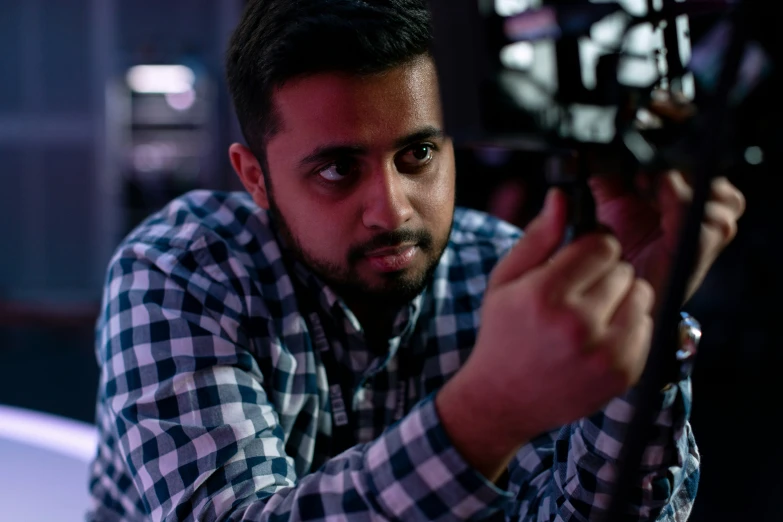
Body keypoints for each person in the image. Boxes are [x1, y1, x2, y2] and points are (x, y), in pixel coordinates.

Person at [87, 1, 745, 520]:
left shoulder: (499, 269)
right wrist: (485, 413)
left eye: (418, 155)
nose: (392, 209)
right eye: (338, 169)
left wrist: (643, 325)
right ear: (254, 178)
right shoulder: (180, 274)